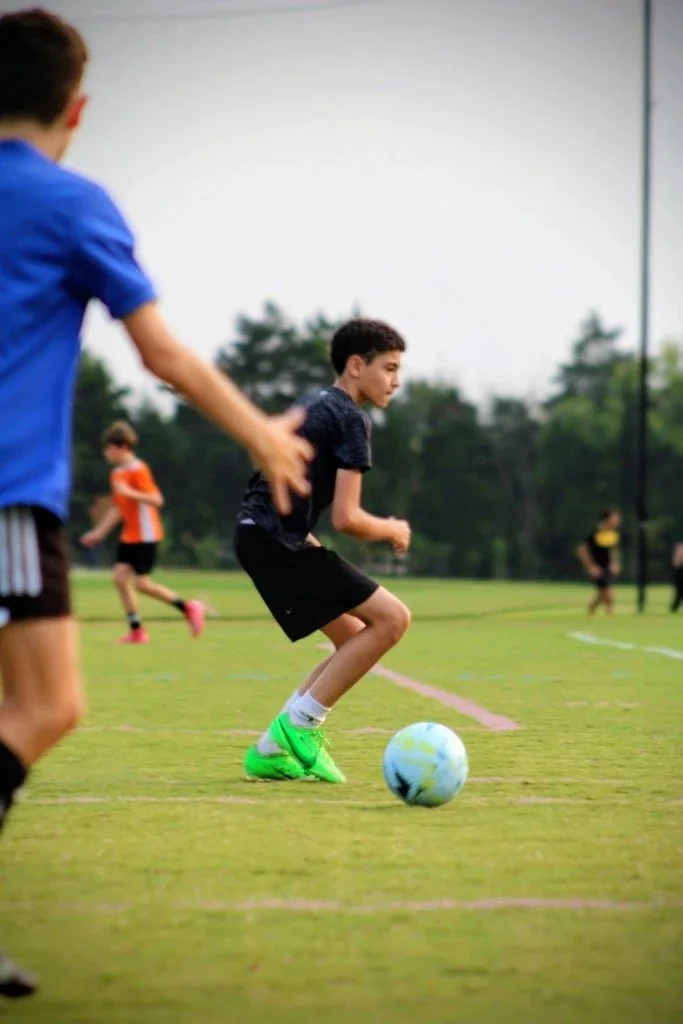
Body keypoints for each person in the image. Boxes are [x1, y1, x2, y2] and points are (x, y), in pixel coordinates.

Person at [0, 7, 312, 997]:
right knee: (46, 706)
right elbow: (162, 353)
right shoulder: (69, 204)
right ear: (76, 108)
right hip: (8, 497)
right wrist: (262, 431)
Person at [235, 319, 412, 784]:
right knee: (393, 620)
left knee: (354, 634)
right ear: (356, 366)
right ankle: (300, 726)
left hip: (261, 534)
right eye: (389, 368)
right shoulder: (352, 418)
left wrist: (300, 537)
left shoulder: (315, 403)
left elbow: (285, 488)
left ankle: (272, 749)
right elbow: (347, 518)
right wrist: (391, 528)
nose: (396, 379)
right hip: (274, 539)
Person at [80, 421, 204, 643]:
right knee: (119, 578)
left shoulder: (139, 470)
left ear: (121, 447)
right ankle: (137, 631)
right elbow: (118, 507)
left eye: (108, 449)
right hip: (130, 535)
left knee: (142, 584)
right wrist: (98, 533)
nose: (106, 454)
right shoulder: (117, 473)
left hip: (146, 534)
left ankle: (188, 608)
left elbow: (157, 500)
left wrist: (130, 492)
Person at [576, 509, 622, 615]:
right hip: (597, 567)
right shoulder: (595, 532)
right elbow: (581, 549)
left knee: (602, 595)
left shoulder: (613, 533)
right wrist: (591, 566)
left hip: (608, 567)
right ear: (607, 519)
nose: (617, 520)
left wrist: (615, 562)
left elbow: (612, 550)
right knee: (608, 594)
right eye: (615, 518)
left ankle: (591, 611)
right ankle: (609, 616)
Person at [670, 542, 683, 613]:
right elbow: (675, 562)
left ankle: (674, 607)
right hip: (680, 573)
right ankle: (674, 608)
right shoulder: (680, 548)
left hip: (679, 572)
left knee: (679, 593)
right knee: (679, 592)